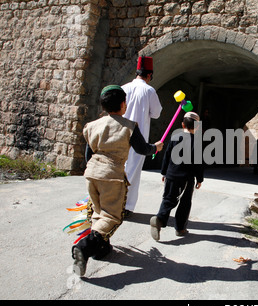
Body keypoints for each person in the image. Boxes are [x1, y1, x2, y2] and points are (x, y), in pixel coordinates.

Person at [72, 85, 163, 277]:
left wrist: (93, 172)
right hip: (112, 176)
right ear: (123, 104)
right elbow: (142, 149)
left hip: (92, 173)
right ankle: (84, 247)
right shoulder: (129, 126)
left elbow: (89, 153)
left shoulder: (92, 126)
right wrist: (155, 148)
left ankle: (101, 249)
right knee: (111, 216)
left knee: (98, 212)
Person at [150, 112, 204, 241]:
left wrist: (164, 172)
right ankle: (179, 228)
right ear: (196, 127)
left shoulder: (175, 137)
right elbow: (199, 163)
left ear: (182, 124)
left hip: (171, 175)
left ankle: (160, 219)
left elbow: (167, 156)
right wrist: (200, 179)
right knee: (185, 203)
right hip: (187, 178)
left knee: (168, 199)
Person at [122, 56, 163, 217]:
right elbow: (157, 113)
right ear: (149, 75)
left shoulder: (123, 88)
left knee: (120, 168)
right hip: (138, 136)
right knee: (132, 171)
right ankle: (125, 206)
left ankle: (111, 201)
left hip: (121, 133)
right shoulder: (149, 91)